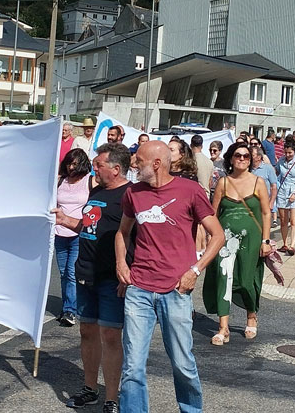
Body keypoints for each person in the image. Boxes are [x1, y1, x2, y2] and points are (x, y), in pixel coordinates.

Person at [115, 141, 224, 413]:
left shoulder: (190, 191)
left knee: (182, 364)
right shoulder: (133, 193)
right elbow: (122, 233)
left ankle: (191, 410)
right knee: (132, 367)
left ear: (156, 163)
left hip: (176, 290)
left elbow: (218, 235)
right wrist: (121, 264)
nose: (133, 164)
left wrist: (195, 270)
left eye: (138, 160)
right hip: (139, 289)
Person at [55, 143, 131, 412]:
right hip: (85, 271)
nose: (94, 168)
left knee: (110, 335)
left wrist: (127, 269)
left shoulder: (128, 195)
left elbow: (134, 236)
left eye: (99, 165)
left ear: (116, 169)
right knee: (87, 331)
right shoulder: (96, 190)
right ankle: (90, 388)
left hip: (111, 276)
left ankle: (111, 397)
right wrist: (66, 221)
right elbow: (89, 226)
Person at [204, 141, 273, 346]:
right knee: (223, 278)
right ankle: (223, 327)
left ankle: (251, 314)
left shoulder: (258, 182)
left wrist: (266, 241)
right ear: (231, 159)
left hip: (251, 239)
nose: (242, 159)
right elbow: (213, 213)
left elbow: (266, 212)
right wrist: (210, 238)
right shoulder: (224, 183)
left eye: (246, 156)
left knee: (245, 281)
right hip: (225, 238)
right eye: (238, 155)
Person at [56, 148, 92, 328]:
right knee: (63, 273)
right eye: (69, 163)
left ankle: (70, 309)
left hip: (79, 232)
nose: (71, 167)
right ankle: (66, 306)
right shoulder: (60, 181)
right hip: (59, 232)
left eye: (75, 164)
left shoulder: (89, 181)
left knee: (72, 273)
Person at [275, 140, 295, 255]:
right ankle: (285, 244)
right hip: (282, 191)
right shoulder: (282, 161)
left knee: (294, 221)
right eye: (286, 152)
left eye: (290, 153)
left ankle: (292, 246)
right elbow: (276, 172)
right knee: (283, 221)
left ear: (294, 151)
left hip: (294, 191)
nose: (288, 155)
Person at [249, 141, 279, 230]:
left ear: (258, 157)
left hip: (264, 203)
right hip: (250, 202)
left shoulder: (268, 168)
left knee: (263, 227)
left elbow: (274, 186)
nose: (250, 157)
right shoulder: (247, 169)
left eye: (252, 155)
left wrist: (271, 202)